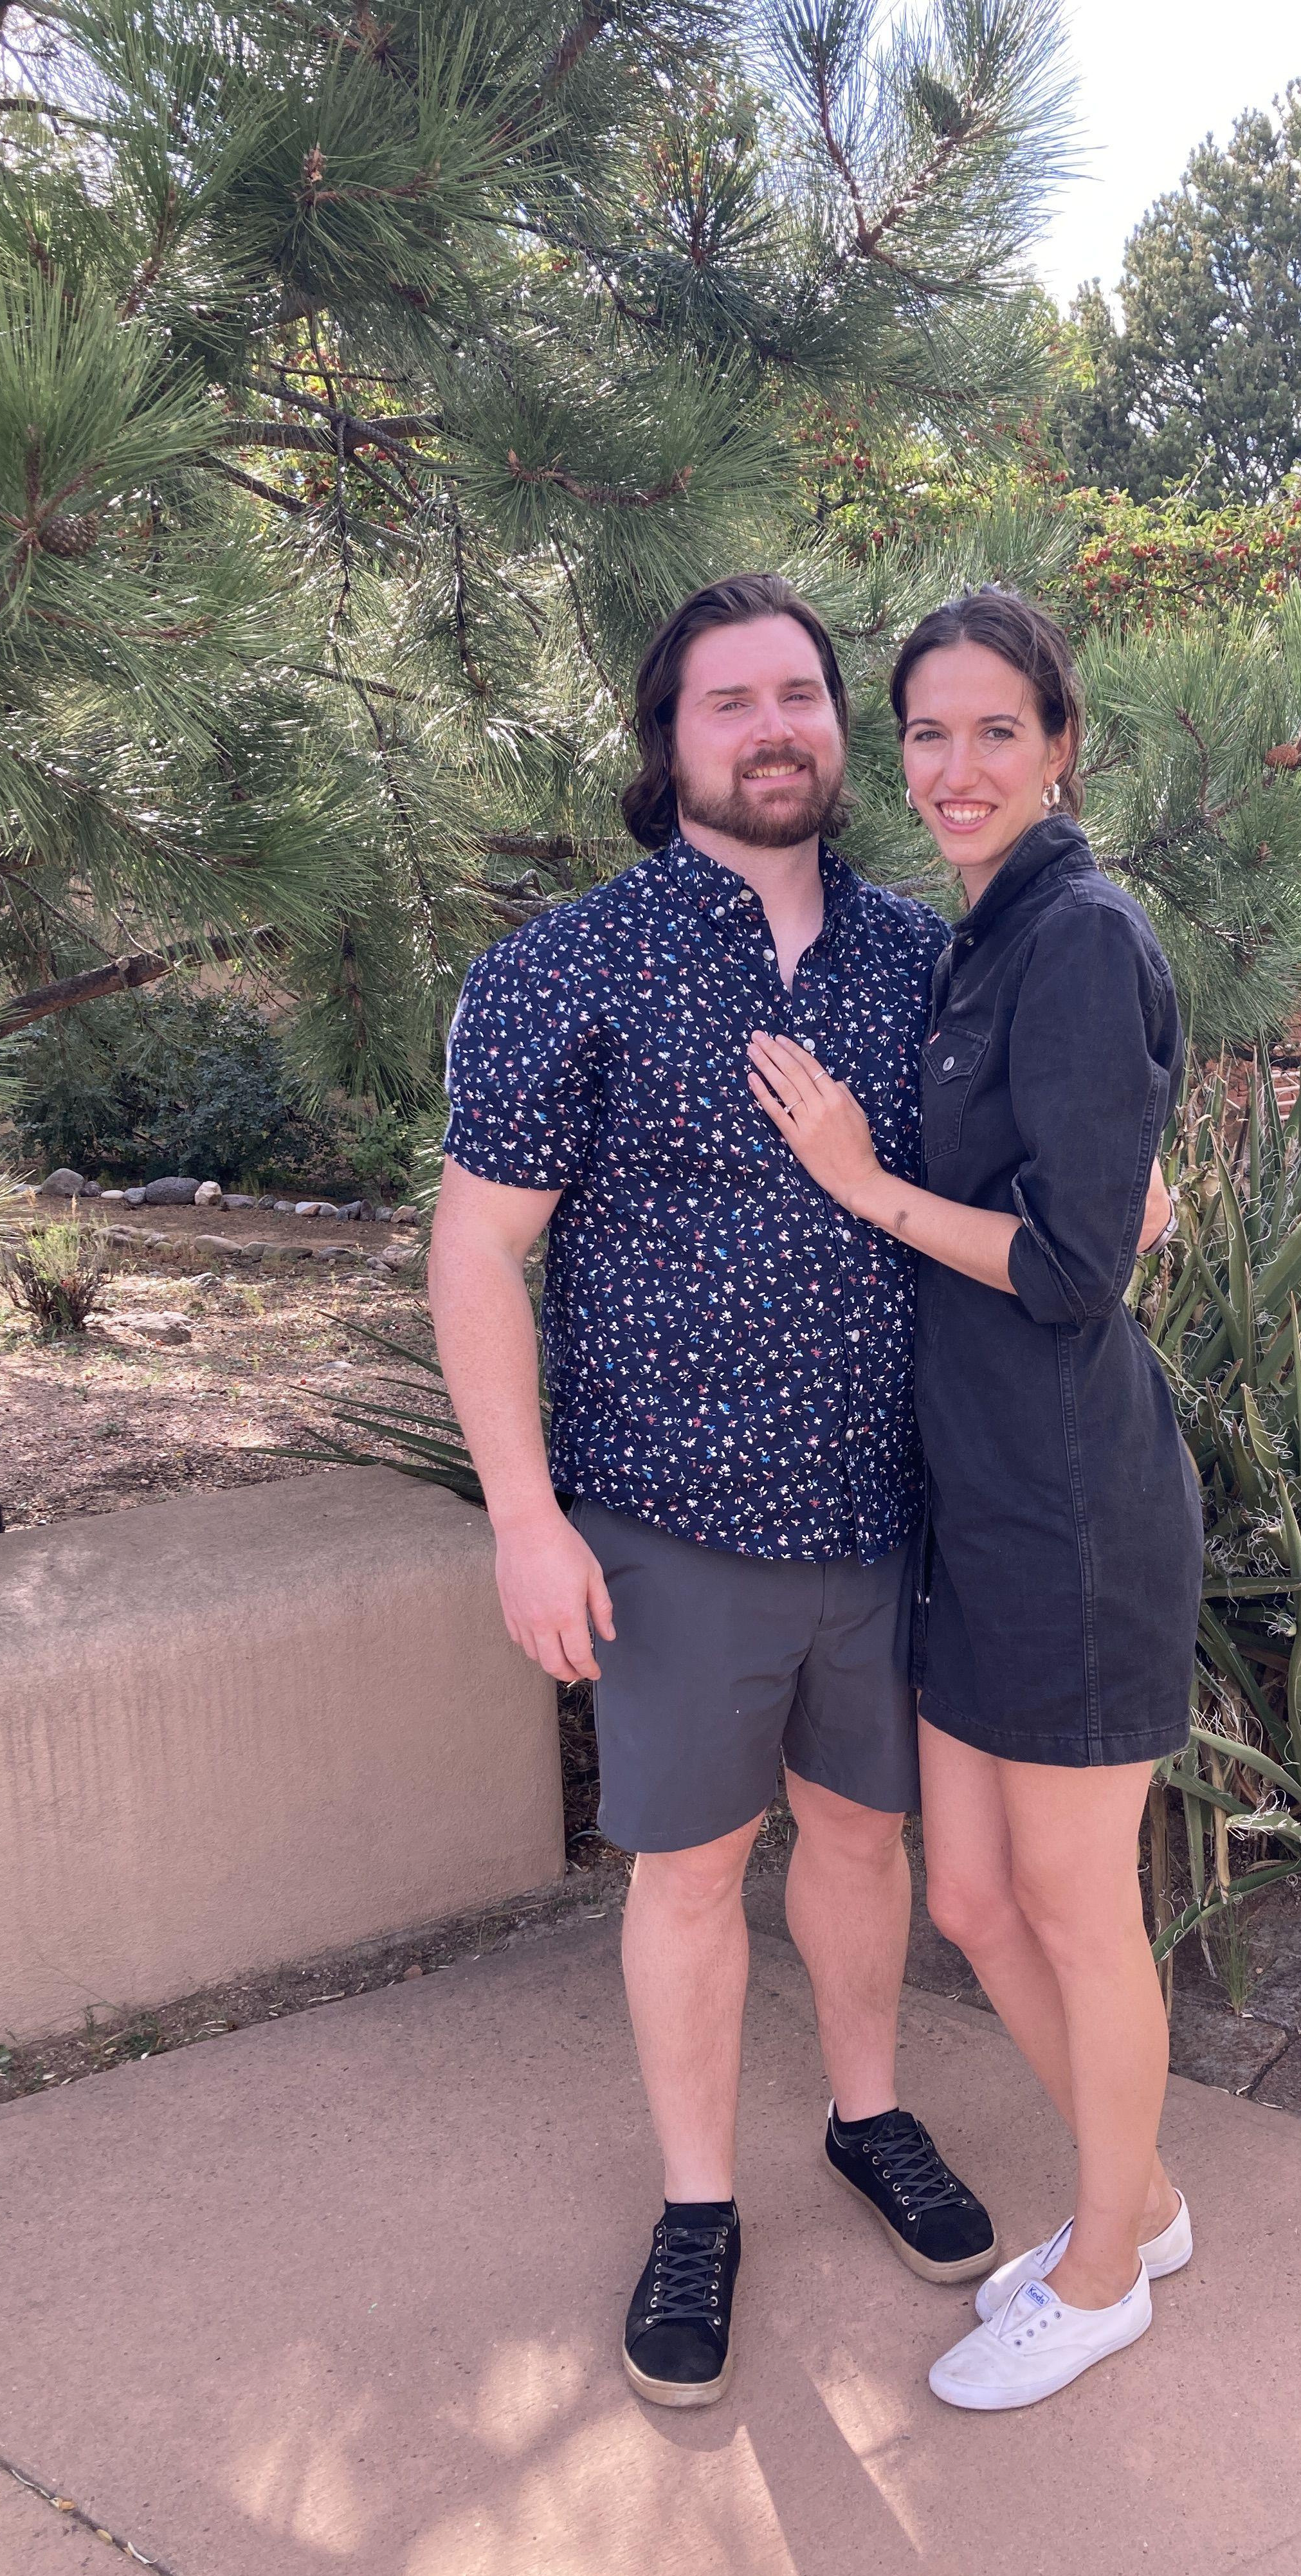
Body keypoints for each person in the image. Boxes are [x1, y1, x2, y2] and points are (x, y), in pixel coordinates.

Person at [426, 573, 1004, 2411]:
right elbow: (475, 1252)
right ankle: (697, 2207)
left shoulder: (922, 959)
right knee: (686, 1873)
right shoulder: (566, 968)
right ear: (666, 741)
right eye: (728, 701)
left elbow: (1009, 1190)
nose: (773, 728)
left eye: (801, 695)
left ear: (841, 729)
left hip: (891, 1508)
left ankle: (868, 2114)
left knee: (862, 1840)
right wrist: (525, 1517)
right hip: (668, 1519)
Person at [746, 585, 1203, 2412]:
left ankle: (1102, 2277)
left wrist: (861, 1185)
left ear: (1060, 745)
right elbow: (1106, 1184)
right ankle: (1139, 2198)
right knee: (977, 1905)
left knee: (1077, 1912)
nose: (956, 766)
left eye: (996, 730)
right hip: (980, 1497)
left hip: (1075, 1507)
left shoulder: (1076, 932)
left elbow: (1078, 1267)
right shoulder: (989, 933)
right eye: (927, 732)